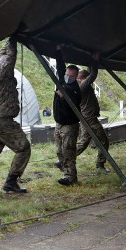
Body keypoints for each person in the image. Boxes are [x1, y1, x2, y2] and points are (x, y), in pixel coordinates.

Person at [0, 39, 31, 194]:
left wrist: (8, 42)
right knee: (23, 148)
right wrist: (14, 40)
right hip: (3, 121)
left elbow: (2, 57)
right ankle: (11, 181)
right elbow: (8, 58)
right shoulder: (2, 75)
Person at [75, 52, 111, 173]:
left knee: (83, 142)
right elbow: (93, 75)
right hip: (90, 118)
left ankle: (65, 159)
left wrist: (90, 62)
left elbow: (90, 73)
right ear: (83, 78)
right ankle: (100, 165)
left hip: (86, 117)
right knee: (104, 141)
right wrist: (95, 60)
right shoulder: (82, 85)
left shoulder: (79, 84)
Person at [52, 45, 83, 186]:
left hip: (70, 125)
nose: (68, 77)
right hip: (59, 123)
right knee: (59, 151)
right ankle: (66, 171)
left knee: (68, 151)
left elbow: (70, 98)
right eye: (67, 74)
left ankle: (71, 177)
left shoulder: (76, 89)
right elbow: (60, 67)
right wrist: (58, 51)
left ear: (76, 76)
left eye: (72, 75)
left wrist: (62, 93)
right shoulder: (63, 80)